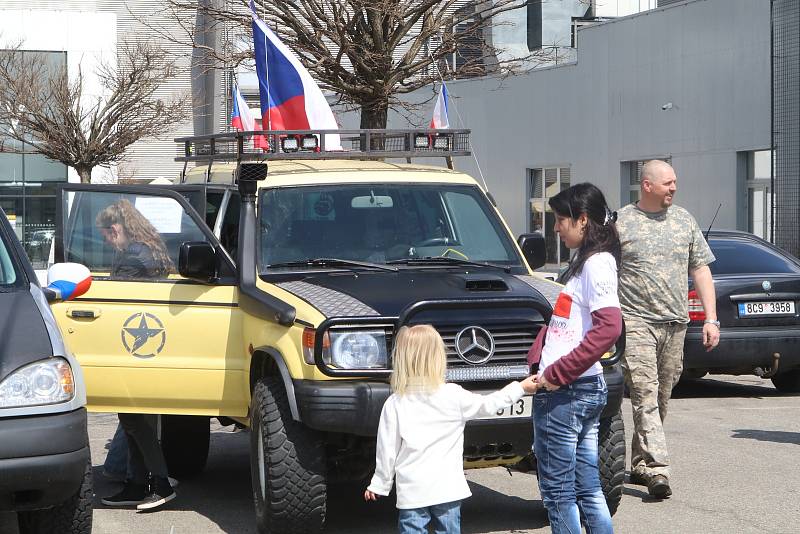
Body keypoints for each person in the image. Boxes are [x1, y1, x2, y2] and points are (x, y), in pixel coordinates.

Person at [364, 324, 538, 534]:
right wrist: (520, 387)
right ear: (439, 358)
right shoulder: (453, 395)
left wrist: (380, 484)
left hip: (412, 490)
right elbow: (489, 404)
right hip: (448, 488)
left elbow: (387, 450)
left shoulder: (395, 403)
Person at [615, 160, 719, 499]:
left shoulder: (684, 220)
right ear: (647, 185)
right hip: (635, 323)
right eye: (668, 183)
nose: (674, 188)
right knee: (644, 394)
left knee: (660, 398)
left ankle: (640, 463)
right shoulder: (621, 222)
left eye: (675, 182)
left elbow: (701, 270)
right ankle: (659, 469)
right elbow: (601, 271)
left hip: (675, 324)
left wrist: (711, 318)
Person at [528, 183, 623, 534]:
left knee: (558, 494)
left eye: (560, 219)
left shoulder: (597, 263)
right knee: (586, 489)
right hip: (578, 389)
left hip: (568, 393)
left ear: (583, 220)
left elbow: (609, 327)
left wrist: (559, 372)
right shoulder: (590, 260)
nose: (555, 227)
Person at [95, 199, 177, 511]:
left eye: (106, 235)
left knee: (134, 418)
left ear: (115, 229)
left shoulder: (133, 256)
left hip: (132, 343)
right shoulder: (150, 248)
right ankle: (137, 482)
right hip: (148, 344)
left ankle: (158, 482)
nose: (106, 241)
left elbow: (118, 295)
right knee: (136, 419)